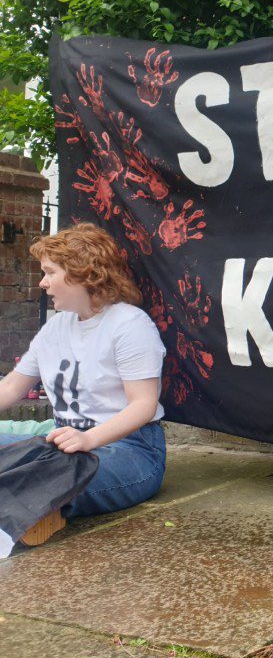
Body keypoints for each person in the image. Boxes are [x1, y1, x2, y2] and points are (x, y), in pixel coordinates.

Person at [0, 223, 166, 557]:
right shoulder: (56, 327)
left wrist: (88, 440)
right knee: (36, 458)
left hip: (128, 449)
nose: (43, 282)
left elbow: (144, 405)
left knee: (51, 469)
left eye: (50, 272)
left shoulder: (129, 325)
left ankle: (31, 517)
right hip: (60, 438)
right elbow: (13, 386)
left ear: (82, 272)